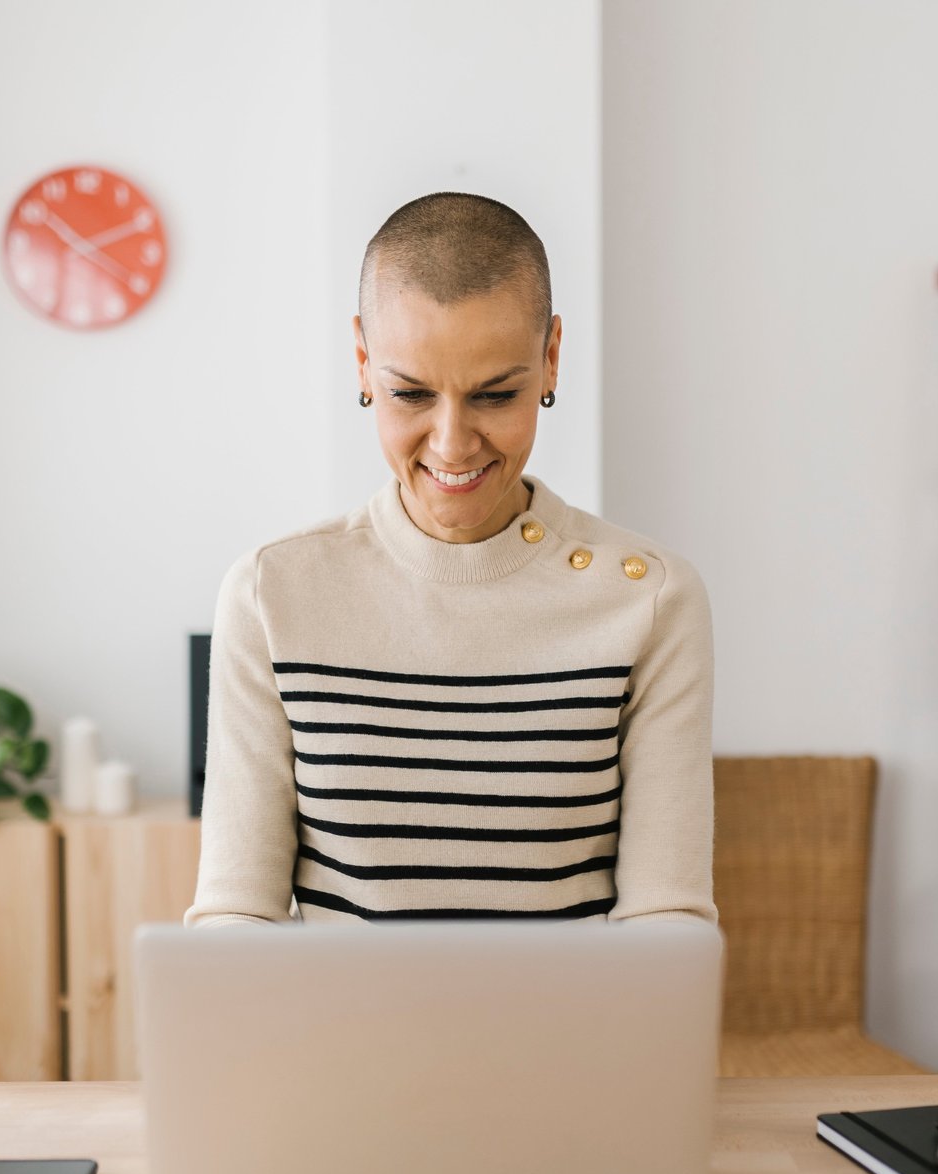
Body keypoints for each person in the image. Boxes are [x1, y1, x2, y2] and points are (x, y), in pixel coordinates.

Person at [184, 192, 716, 926]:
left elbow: (667, 921)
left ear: (551, 358)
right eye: (410, 394)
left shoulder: (651, 601)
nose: (452, 443)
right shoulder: (271, 594)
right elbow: (236, 915)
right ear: (365, 364)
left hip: (576, 1043)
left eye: (497, 395)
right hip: (339, 1041)